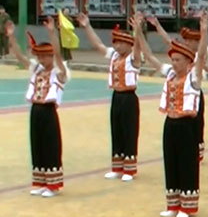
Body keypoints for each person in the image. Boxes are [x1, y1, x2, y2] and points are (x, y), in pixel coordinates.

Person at [141, 13, 208, 217]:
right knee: (170, 161)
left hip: (186, 125)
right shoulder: (170, 75)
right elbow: (151, 58)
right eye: (172, 60)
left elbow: (202, 56)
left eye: (178, 60)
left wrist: (204, 30)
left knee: (186, 162)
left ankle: (187, 206)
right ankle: (172, 204)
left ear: (188, 61)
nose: (174, 63)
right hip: (170, 123)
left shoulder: (194, 78)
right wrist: (138, 33)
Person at [6, 17, 70, 196]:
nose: (41, 59)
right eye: (39, 56)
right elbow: (20, 56)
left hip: (49, 111)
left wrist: (51, 32)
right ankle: (41, 182)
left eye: (44, 56)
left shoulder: (59, 73)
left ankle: (53, 185)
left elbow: (58, 55)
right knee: (37, 145)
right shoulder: (36, 70)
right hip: (36, 110)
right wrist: (11, 38)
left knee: (50, 145)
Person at [77, 14, 142, 181]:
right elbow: (98, 45)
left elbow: (139, 47)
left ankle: (129, 169)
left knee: (129, 131)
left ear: (129, 44)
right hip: (116, 96)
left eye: (122, 43)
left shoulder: (134, 59)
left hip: (129, 97)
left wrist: (138, 30)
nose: (118, 46)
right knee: (116, 130)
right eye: (116, 43)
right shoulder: (114, 55)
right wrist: (87, 26)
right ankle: (117, 167)